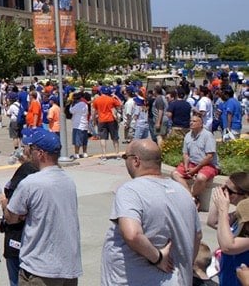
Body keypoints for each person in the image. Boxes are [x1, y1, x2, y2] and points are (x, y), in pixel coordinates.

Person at [99, 139, 201, 286]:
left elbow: (132, 234)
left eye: (125, 157)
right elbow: (197, 235)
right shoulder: (183, 192)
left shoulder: (130, 191)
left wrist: (158, 258)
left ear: (136, 161)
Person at [4, 128, 82, 285]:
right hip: (68, 267)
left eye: (31, 149)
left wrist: (4, 203)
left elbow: (11, 217)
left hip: (40, 269)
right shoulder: (68, 181)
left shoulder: (31, 183)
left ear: (40, 153)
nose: (28, 152)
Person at [0, 132, 39, 286]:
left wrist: (3, 202)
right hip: (30, 239)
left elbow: (14, 213)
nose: (22, 149)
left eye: (25, 146)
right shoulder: (37, 170)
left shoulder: (27, 171)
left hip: (17, 236)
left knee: (16, 279)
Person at [172, 112, 219, 203]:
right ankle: (191, 198)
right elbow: (185, 154)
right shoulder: (188, 135)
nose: (191, 123)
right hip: (192, 163)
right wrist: (186, 167)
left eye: (194, 121)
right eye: (190, 121)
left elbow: (209, 156)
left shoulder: (208, 135)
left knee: (201, 178)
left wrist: (196, 169)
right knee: (174, 174)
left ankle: (191, 197)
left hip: (208, 165)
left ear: (201, 124)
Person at [210, 178, 249, 285]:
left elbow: (228, 246)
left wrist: (223, 209)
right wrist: (219, 201)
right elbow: (213, 222)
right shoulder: (240, 214)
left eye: (229, 191)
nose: (226, 193)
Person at [93, 86, 123, 159]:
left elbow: (94, 111)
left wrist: (94, 120)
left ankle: (104, 155)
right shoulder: (112, 99)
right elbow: (120, 105)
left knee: (103, 138)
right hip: (112, 120)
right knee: (115, 137)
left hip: (101, 120)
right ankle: (117, 154)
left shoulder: (97, 100)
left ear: (101, 92)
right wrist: (116, 96)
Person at [69, 93, 91, 159]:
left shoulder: (77, 105)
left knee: (77, 140)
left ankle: (77, 154)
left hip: (77, 125)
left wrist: (71, 105)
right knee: (84, 140)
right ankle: (85, 153)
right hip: (85, 124)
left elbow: (71, 111)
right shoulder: (85, 105)